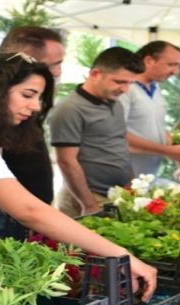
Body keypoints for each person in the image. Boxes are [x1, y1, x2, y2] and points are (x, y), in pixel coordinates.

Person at [0, 52, 157, 301]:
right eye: (28, 95)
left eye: (39, 98)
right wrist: (121, 255)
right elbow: (30, 211)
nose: (35, 107)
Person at [0, 26, 67, 240]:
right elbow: (26, 209)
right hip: (2, 216)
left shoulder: (16, 109)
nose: (34, 106)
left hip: (23, 213)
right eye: (55, 64)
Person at [49, 47, 145, 217]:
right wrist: (89, 204)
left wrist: (131, 186)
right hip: (85, 200)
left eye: (130, 83)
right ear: (95, 74)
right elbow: (66, 161)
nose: (125, 89)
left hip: (116, 196)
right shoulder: (70, 109)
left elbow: (120, 146)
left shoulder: (116, 104)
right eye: (119, 81)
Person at [120, 41, 180, 179]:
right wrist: (168, 151)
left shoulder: (155, 87)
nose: (176, 72)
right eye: (171, 64)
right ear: (149, 61)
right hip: (124, 177)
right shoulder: (124, 89)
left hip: (147, 176)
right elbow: (118, 135)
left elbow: (159, 130)